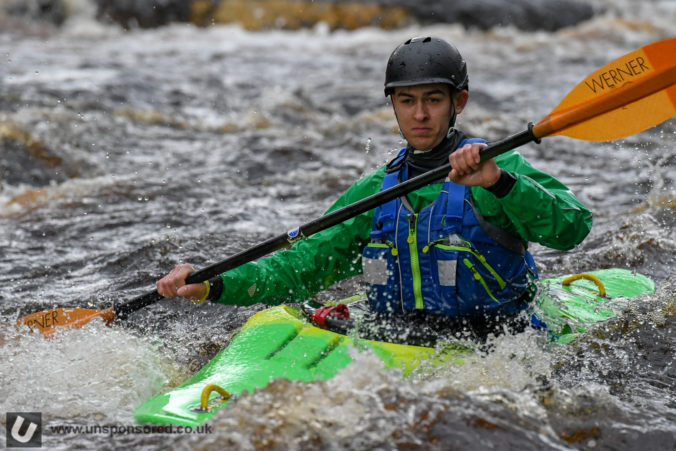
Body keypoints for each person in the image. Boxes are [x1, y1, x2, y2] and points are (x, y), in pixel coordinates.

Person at [157, 36, 592, 338]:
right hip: (398, 337)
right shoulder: (375, 191)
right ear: (393, 106)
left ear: (458, 103)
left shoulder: (498, 167)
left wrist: (500, 184)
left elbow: (571, 227)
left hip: (499, 339)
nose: (419, 114)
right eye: (407, 101)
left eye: (433, 100)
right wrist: (213, 284)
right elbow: (302, 265)